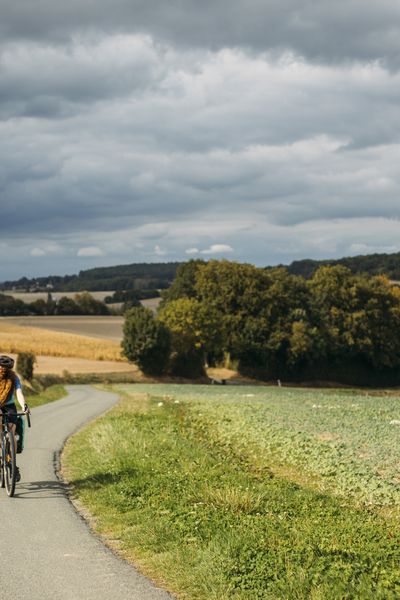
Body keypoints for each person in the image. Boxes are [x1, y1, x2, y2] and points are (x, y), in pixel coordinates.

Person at [0, 355, 29, 482]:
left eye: (6, 368)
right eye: (1, 367)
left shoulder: (14, 378)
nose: (3, 370)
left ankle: (12, 463)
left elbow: (19, 393)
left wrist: (23, 406)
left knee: (11, 432)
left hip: (10, 406)